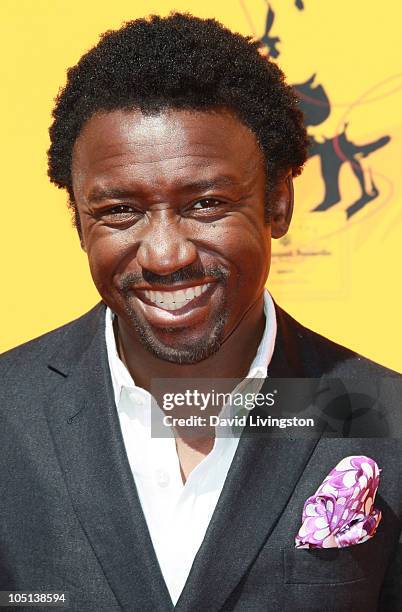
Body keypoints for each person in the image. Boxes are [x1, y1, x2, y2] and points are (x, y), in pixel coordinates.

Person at [0, 13, 400, 612]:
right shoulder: (10, 411)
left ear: (279, 205)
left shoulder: (385, 417)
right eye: (119, 211)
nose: (165, 254)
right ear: (79, 222)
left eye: (207, 204)